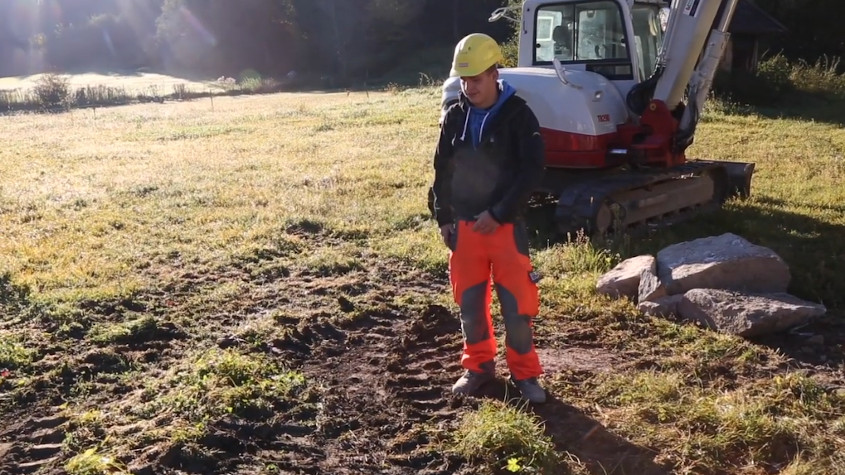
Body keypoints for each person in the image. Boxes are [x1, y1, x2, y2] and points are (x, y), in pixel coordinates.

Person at [430, 33, 546, 404]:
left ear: (495, 73)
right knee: (470, 305)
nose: (469, 87)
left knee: (517, 307)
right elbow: (441, 169)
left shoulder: (519, 116)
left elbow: (531, 172)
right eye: (464, 79)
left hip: (505, 228)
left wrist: (498, 213)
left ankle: (526, 376)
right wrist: (443, 216)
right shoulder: (455, 114)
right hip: (464, 230)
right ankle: (478, 368)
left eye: (476, 79)